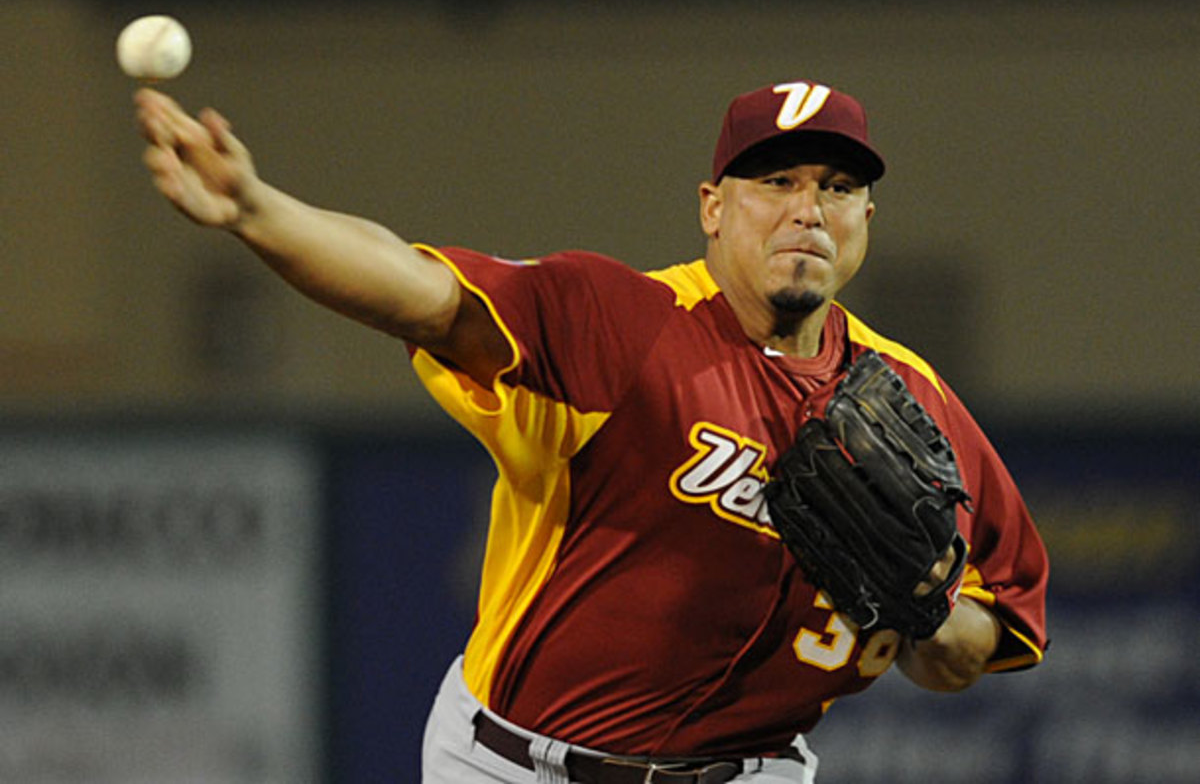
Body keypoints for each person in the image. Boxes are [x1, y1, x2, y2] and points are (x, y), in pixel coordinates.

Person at [134, 78, 1048, 784]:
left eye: (838, 187)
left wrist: (926, 602)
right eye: (776, 180)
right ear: (713, 207)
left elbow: (973, 648)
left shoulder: (916, 400)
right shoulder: (620, 321)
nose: (809, 208)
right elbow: (425, 296)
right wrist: (260, 213)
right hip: (510, 761)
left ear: (865, 222)